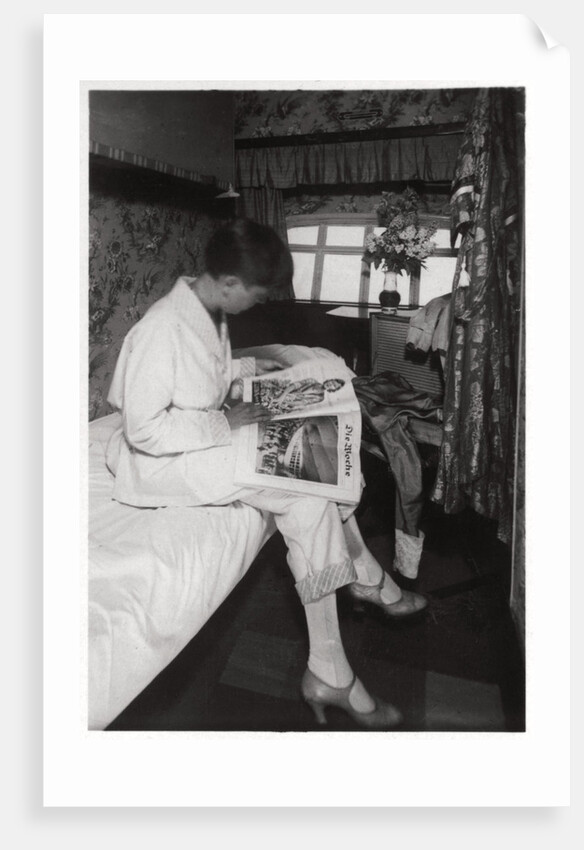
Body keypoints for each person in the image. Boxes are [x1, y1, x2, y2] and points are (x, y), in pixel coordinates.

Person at [105, 217, 427, 730]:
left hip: (198, 441)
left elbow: (201, 372)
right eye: (256, 294)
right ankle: (360, 588)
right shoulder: (159, 329)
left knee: (309, 490)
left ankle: (331, 664)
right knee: (307, 487)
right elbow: (143, 430)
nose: (258, 304)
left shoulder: (209, 310)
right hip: (159, 464)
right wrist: (223, 421)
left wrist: (250, 372)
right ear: (229, 284)